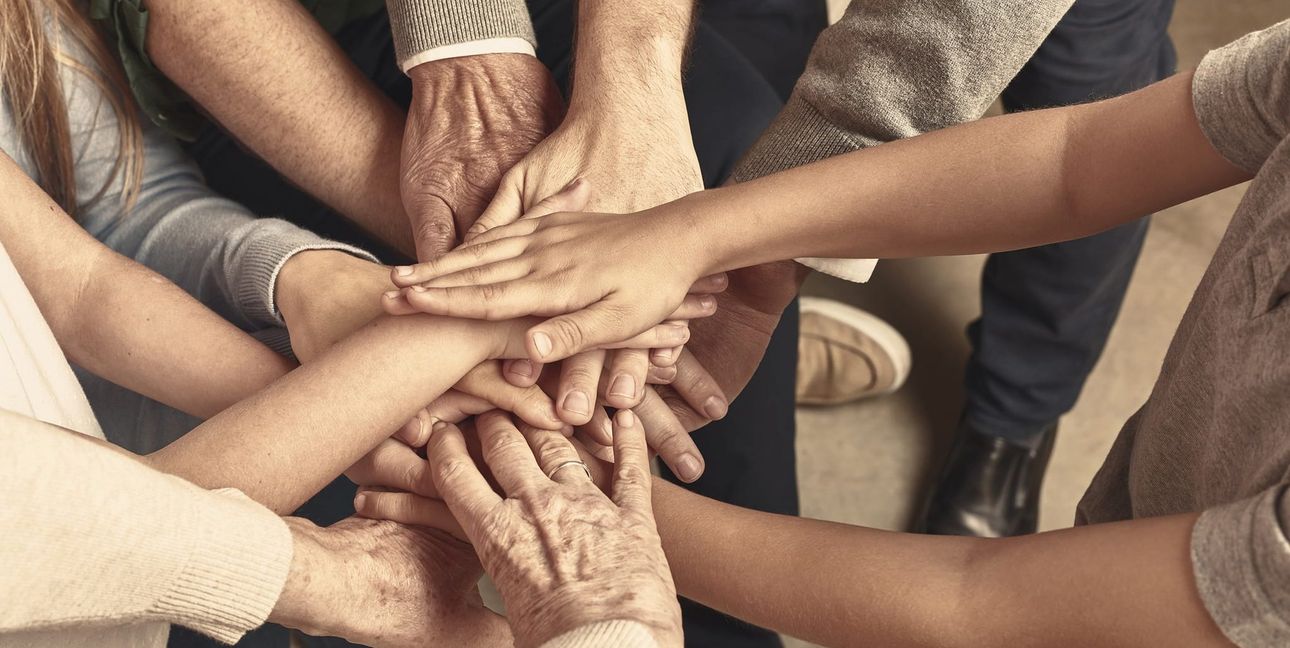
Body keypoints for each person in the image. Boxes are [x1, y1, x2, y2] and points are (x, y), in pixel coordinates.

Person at [367, 17, 1290, 647]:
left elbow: (984, 602)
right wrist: (703, 238)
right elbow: (1074, 161)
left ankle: (1011, 423)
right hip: (1160, 508)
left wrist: (574, 510)